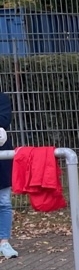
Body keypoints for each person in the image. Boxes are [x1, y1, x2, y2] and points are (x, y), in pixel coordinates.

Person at [0, 87, 17, 259]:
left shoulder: (2, 99)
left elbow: (4, 121)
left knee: (4, 202)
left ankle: (4, 242)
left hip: (2, 158)